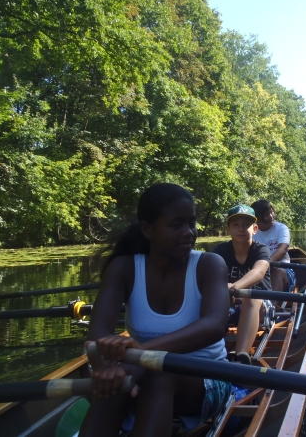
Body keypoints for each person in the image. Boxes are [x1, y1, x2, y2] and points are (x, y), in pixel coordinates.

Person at [80, 183, 231, 437]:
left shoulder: (209, 264)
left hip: (207, 379)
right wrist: (107, 369)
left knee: (158, 372)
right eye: (176, 225)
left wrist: (142, 353)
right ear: (147, 229)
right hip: (139, 371)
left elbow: (215, 326)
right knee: (114, 383)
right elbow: (95, 339)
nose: (189, 233)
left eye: (192, 223)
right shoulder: (124, 269)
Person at [212, 205, 271, 363]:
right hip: (230, 303)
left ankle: (241, 357)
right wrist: (225, 293)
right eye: (236, 225)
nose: (241, 229)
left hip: (262, 306)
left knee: (251, 297)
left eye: (246, 224)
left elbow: (258, 273)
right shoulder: (220, 251)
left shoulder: (261, 250)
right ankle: (207, 348)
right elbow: (209, 276)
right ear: (227, 229)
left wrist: (232, 288)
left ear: (255, 229)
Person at [251, 199, 296, 293]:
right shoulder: (251, 233)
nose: (271, 216)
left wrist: (264, 265)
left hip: (284, 270)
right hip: (259, 271)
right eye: (267, 214)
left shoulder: (281, 228)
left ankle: (271, 306)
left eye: (271, 212)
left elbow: (282, 250)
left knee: (277, 272)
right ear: (257, 218)